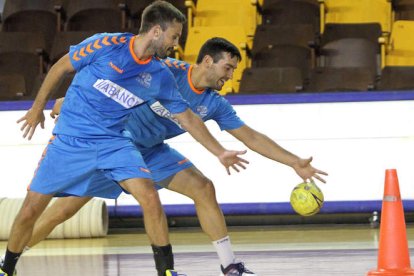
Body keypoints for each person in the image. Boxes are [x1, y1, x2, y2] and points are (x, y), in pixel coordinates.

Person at [2, 37, 328, 276]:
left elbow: (251, 136)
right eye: (227, 67)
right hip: (115, 142)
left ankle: (229, 266)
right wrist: (63, 103)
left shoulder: (214, 103)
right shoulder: (166, 70)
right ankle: (10, 262)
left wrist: (294, 162)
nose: (229, 76)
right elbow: (107, 78)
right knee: (62, 212)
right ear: (207, 61)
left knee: (203, 188)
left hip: (153, 152)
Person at [0, 2, 249, 276]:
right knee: (33, 211)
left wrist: (219, 151)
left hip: (115, 142)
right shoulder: (105, 45)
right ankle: (6, 267)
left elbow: (188, 118)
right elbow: (60, 68)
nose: (177, 44)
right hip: (71, 141)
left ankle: (167, 271)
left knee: (150, 197)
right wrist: (38, 109)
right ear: (156, 31)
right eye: (174, 37)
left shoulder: (160, 75)